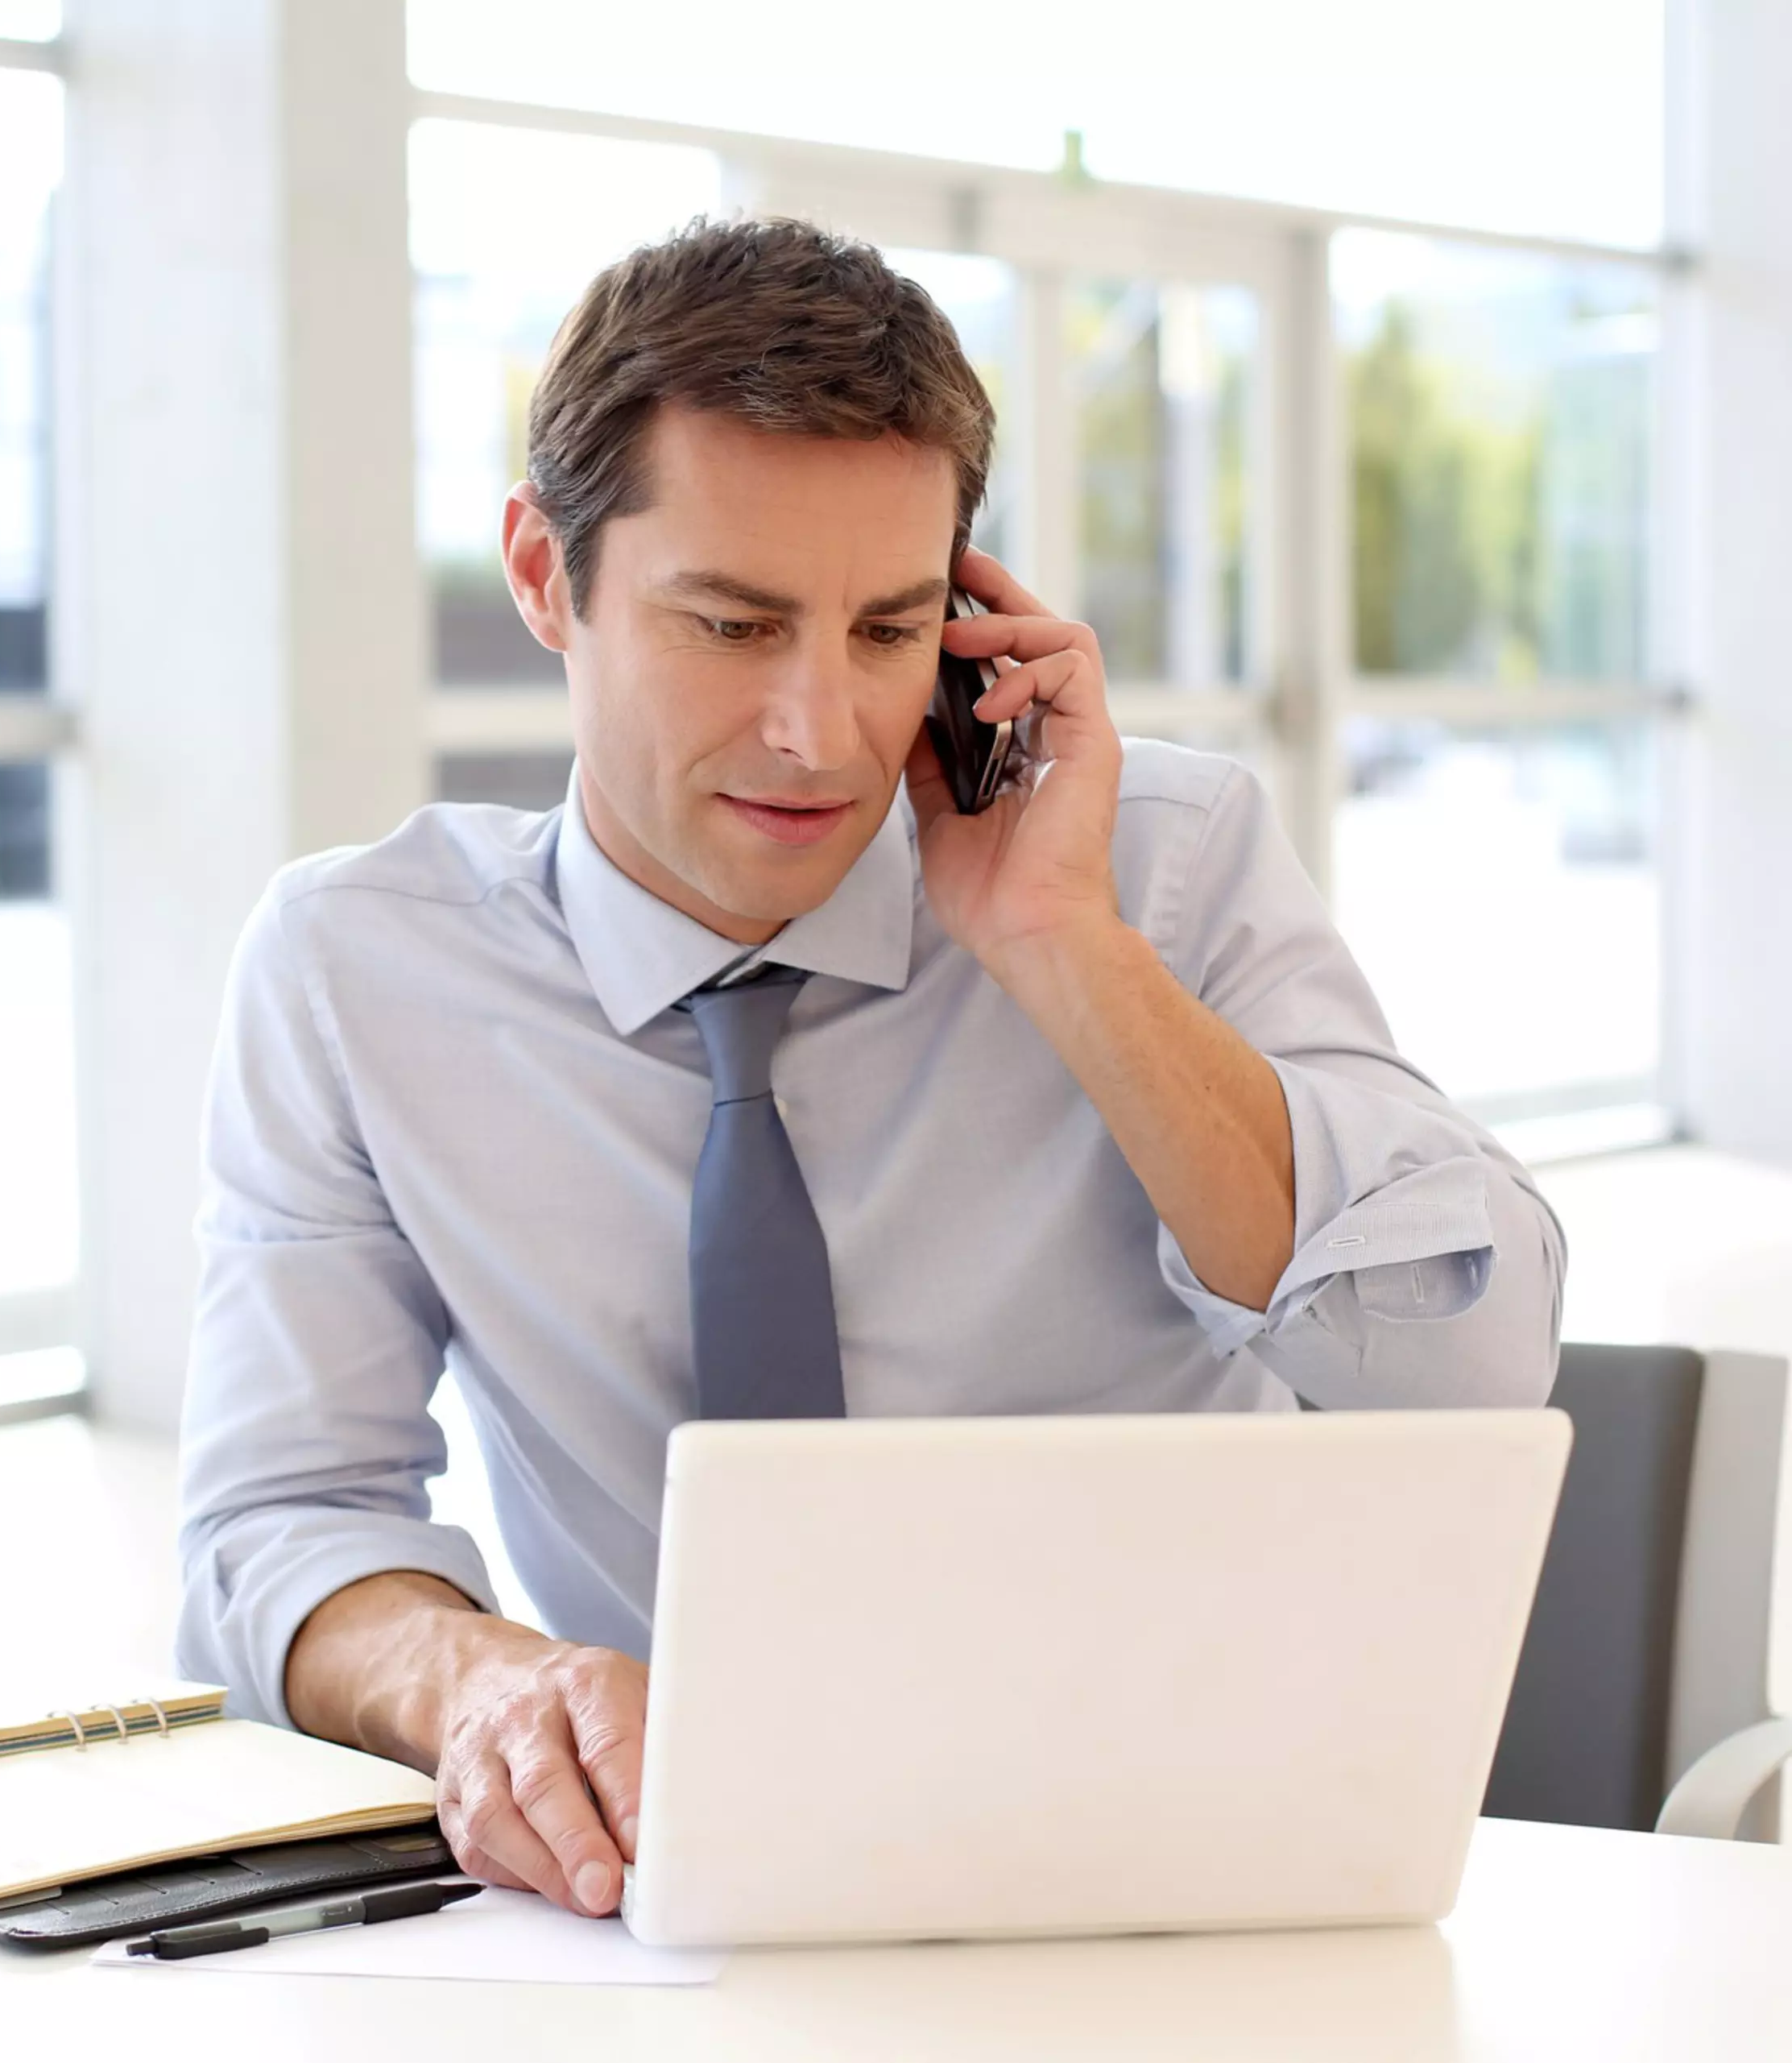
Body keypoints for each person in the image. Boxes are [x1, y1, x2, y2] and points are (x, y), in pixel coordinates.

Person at [176, 217, 1564, 1920]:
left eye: (891, 629)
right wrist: (484, 1684)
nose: (821, 730)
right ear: (547, 575)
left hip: (1184, 1881)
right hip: (676, 1904)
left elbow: (1471, 1357)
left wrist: (1064, 945)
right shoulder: (356, 971)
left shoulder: (1162, 866)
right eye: (734, 625)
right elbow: (278, 1525)